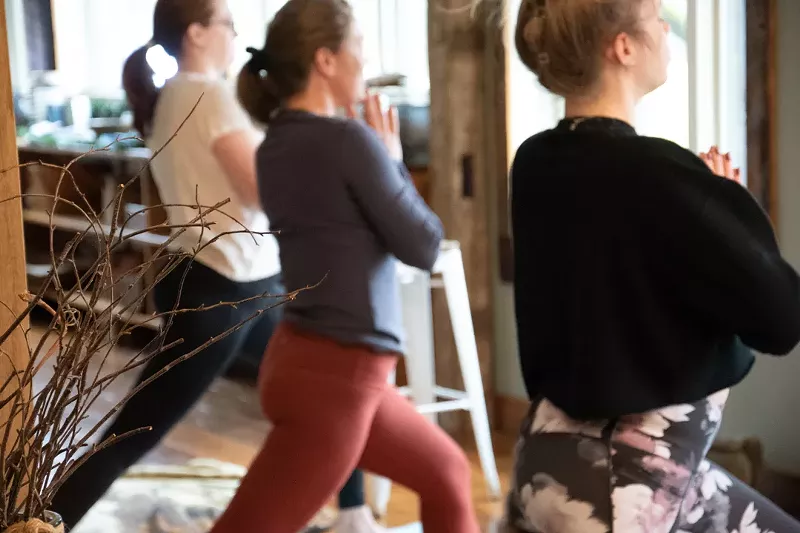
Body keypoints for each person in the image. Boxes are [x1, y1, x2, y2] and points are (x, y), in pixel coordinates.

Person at [50, 1, 376, 531]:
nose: (235, 34)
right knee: (136, 432)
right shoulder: (209, 95)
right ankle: (45, 521)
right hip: (224, 292)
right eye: (227, 23)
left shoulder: (173, 96)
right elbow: (264, 192)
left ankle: (354, 512)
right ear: (197, 33)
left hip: (222, 281)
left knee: (331, 392)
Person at [503, 0, 800, 531]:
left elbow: (623, 277)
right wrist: (732, 202)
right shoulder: (659, 175)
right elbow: (780, 316)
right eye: (658, 16)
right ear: (623, 47)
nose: (667, 28)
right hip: (621, 490)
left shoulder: (535, 162)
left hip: (546, 461)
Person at [203, 1, 481, 532]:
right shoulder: (349, 141)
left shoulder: (275, 144)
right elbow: (423, 245)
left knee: (445, 471)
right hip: (336, 378)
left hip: (314, 363)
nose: (366, 60)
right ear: (326, 60)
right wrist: (391, 156)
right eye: (359, 46)